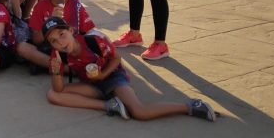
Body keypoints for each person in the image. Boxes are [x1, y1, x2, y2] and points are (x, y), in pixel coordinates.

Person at [42, 17, 216, 122]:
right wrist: (56, 71)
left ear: (71, 30)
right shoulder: (57, 55)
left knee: (139, 112)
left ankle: (190, 106)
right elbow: (59, 88)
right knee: (53, 94)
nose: (60, 43)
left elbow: (116, 58)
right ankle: (109, 105)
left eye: (62, 35)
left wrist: (102, 75)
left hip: (113, 78)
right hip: (92, 84)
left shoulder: (94, 40)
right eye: (53, 41)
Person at [29, 0, 97, 50]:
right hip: (50, 49)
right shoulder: (40, 7)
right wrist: (51, 21)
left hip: (73, 48)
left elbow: (90, 31)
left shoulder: (76, 6)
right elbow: (36, 40)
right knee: (23, 48)